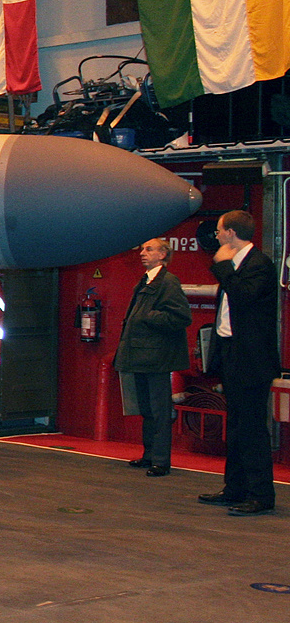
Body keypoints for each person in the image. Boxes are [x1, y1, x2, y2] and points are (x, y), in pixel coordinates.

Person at [199, 211, 277, 516]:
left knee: (252, 427)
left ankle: (261, 494)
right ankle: (234, 489)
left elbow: (243, 296)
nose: (216, 236)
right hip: (233, 353)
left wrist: (222, 265)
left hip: (253, 360)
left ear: (231, 233)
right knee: (236, 425)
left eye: (219, 231)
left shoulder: (259, 265)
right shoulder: (237, 266)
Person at [114, 239, 191, 477]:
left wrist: (148, 316)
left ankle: (161, 460)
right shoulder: (146, 280)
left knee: (159, 410)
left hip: (156, 357)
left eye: (149, 249)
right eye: (142, 249)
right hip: (141, 355)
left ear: (163, 254)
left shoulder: (168, 282)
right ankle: (149, 455)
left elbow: (180, 317)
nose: (142, 253)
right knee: (147, 409)